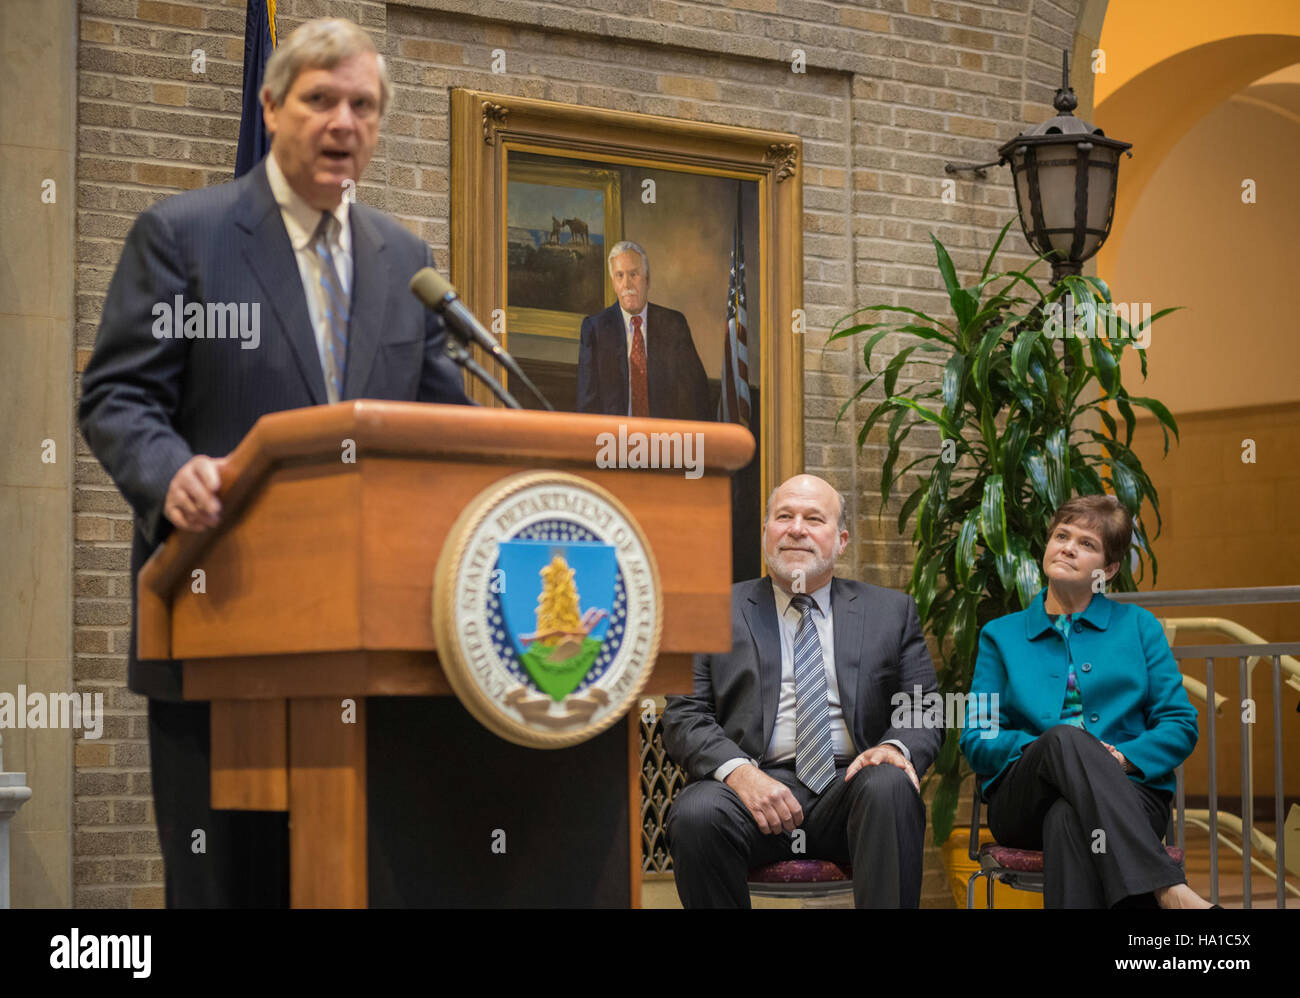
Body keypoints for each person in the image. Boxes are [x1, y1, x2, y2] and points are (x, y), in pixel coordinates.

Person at [77, 17, 470, 907]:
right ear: (271, 106)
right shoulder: (187, 237)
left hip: (370, 650)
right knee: (227, 889)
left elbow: (443, 426)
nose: (343, 122)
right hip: (222, 622)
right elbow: (117, 400)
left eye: (363, 105)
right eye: (321, 100)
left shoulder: (404, 261)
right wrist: (168, 471)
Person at [661, 474, 941, 907]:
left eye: (814, 518)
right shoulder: (712, 608)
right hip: (752, 790)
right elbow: (684, 717)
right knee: (697, 812)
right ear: (765, 532)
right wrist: (739, 772)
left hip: (853, 792)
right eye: (784, 516)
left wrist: (896, 749)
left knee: (889, 785)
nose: (796, 528)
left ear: (841, 540)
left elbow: (922, 710)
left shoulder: (891, 611)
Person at [960, 494, 1212, 908]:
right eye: (1062, 535)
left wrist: (1123, 759)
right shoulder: (1000, 636)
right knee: (1063, 740)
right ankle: (1168, 888)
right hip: (1024, 802)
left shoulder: (1138, 628)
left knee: (1067, 819)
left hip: (1129, 795)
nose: (1068, 547)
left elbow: (1180, 723)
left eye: (1087, 544)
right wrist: (1047, 752)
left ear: (1109, 570)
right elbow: (976, 735)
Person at [576, 241, 711, 421]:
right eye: (619, 276)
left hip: (665, 440)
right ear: (613, 283)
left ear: (647, 279)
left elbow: (697, 396)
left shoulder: (674, 325)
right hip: (613, 441)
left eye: (633, 274)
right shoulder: (595, 329)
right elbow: (587, 407)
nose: (627, 284)